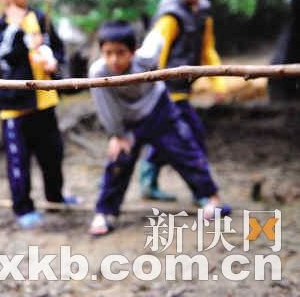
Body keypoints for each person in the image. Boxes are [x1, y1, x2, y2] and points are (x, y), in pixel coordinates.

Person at [88, 20, 230, 236]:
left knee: (185, 150)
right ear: (100, 52)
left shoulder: (145, 59)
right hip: (128, 123)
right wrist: (117, 135)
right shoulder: (98, 73)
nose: (114, 59)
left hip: (159, 111)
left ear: (133, 51)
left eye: (120, 52)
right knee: (118, 161)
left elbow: (158, 37)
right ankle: (105, 212)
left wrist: (164, 22)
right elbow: (106, 108)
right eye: (108, 53)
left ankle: (211, 198)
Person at [0, 0, 78, 229]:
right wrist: (18, 30)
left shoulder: (41, 19)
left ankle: (55, 197)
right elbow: (3, 57)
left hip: (45, 101)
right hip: (16, 108)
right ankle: (23, 208)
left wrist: (55, 63)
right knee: (19, 162)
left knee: (53, 155)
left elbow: (59, 50)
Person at [137, 0, 227, 202]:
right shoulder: (170, 16)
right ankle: (203, 193)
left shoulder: (203, 13)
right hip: (166, 93)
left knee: (169, 140)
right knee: (191, 139)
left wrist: (218, 82)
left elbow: (207, 49)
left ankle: (148, 180)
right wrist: (154, 88)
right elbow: (156, 55)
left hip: (182, 92)